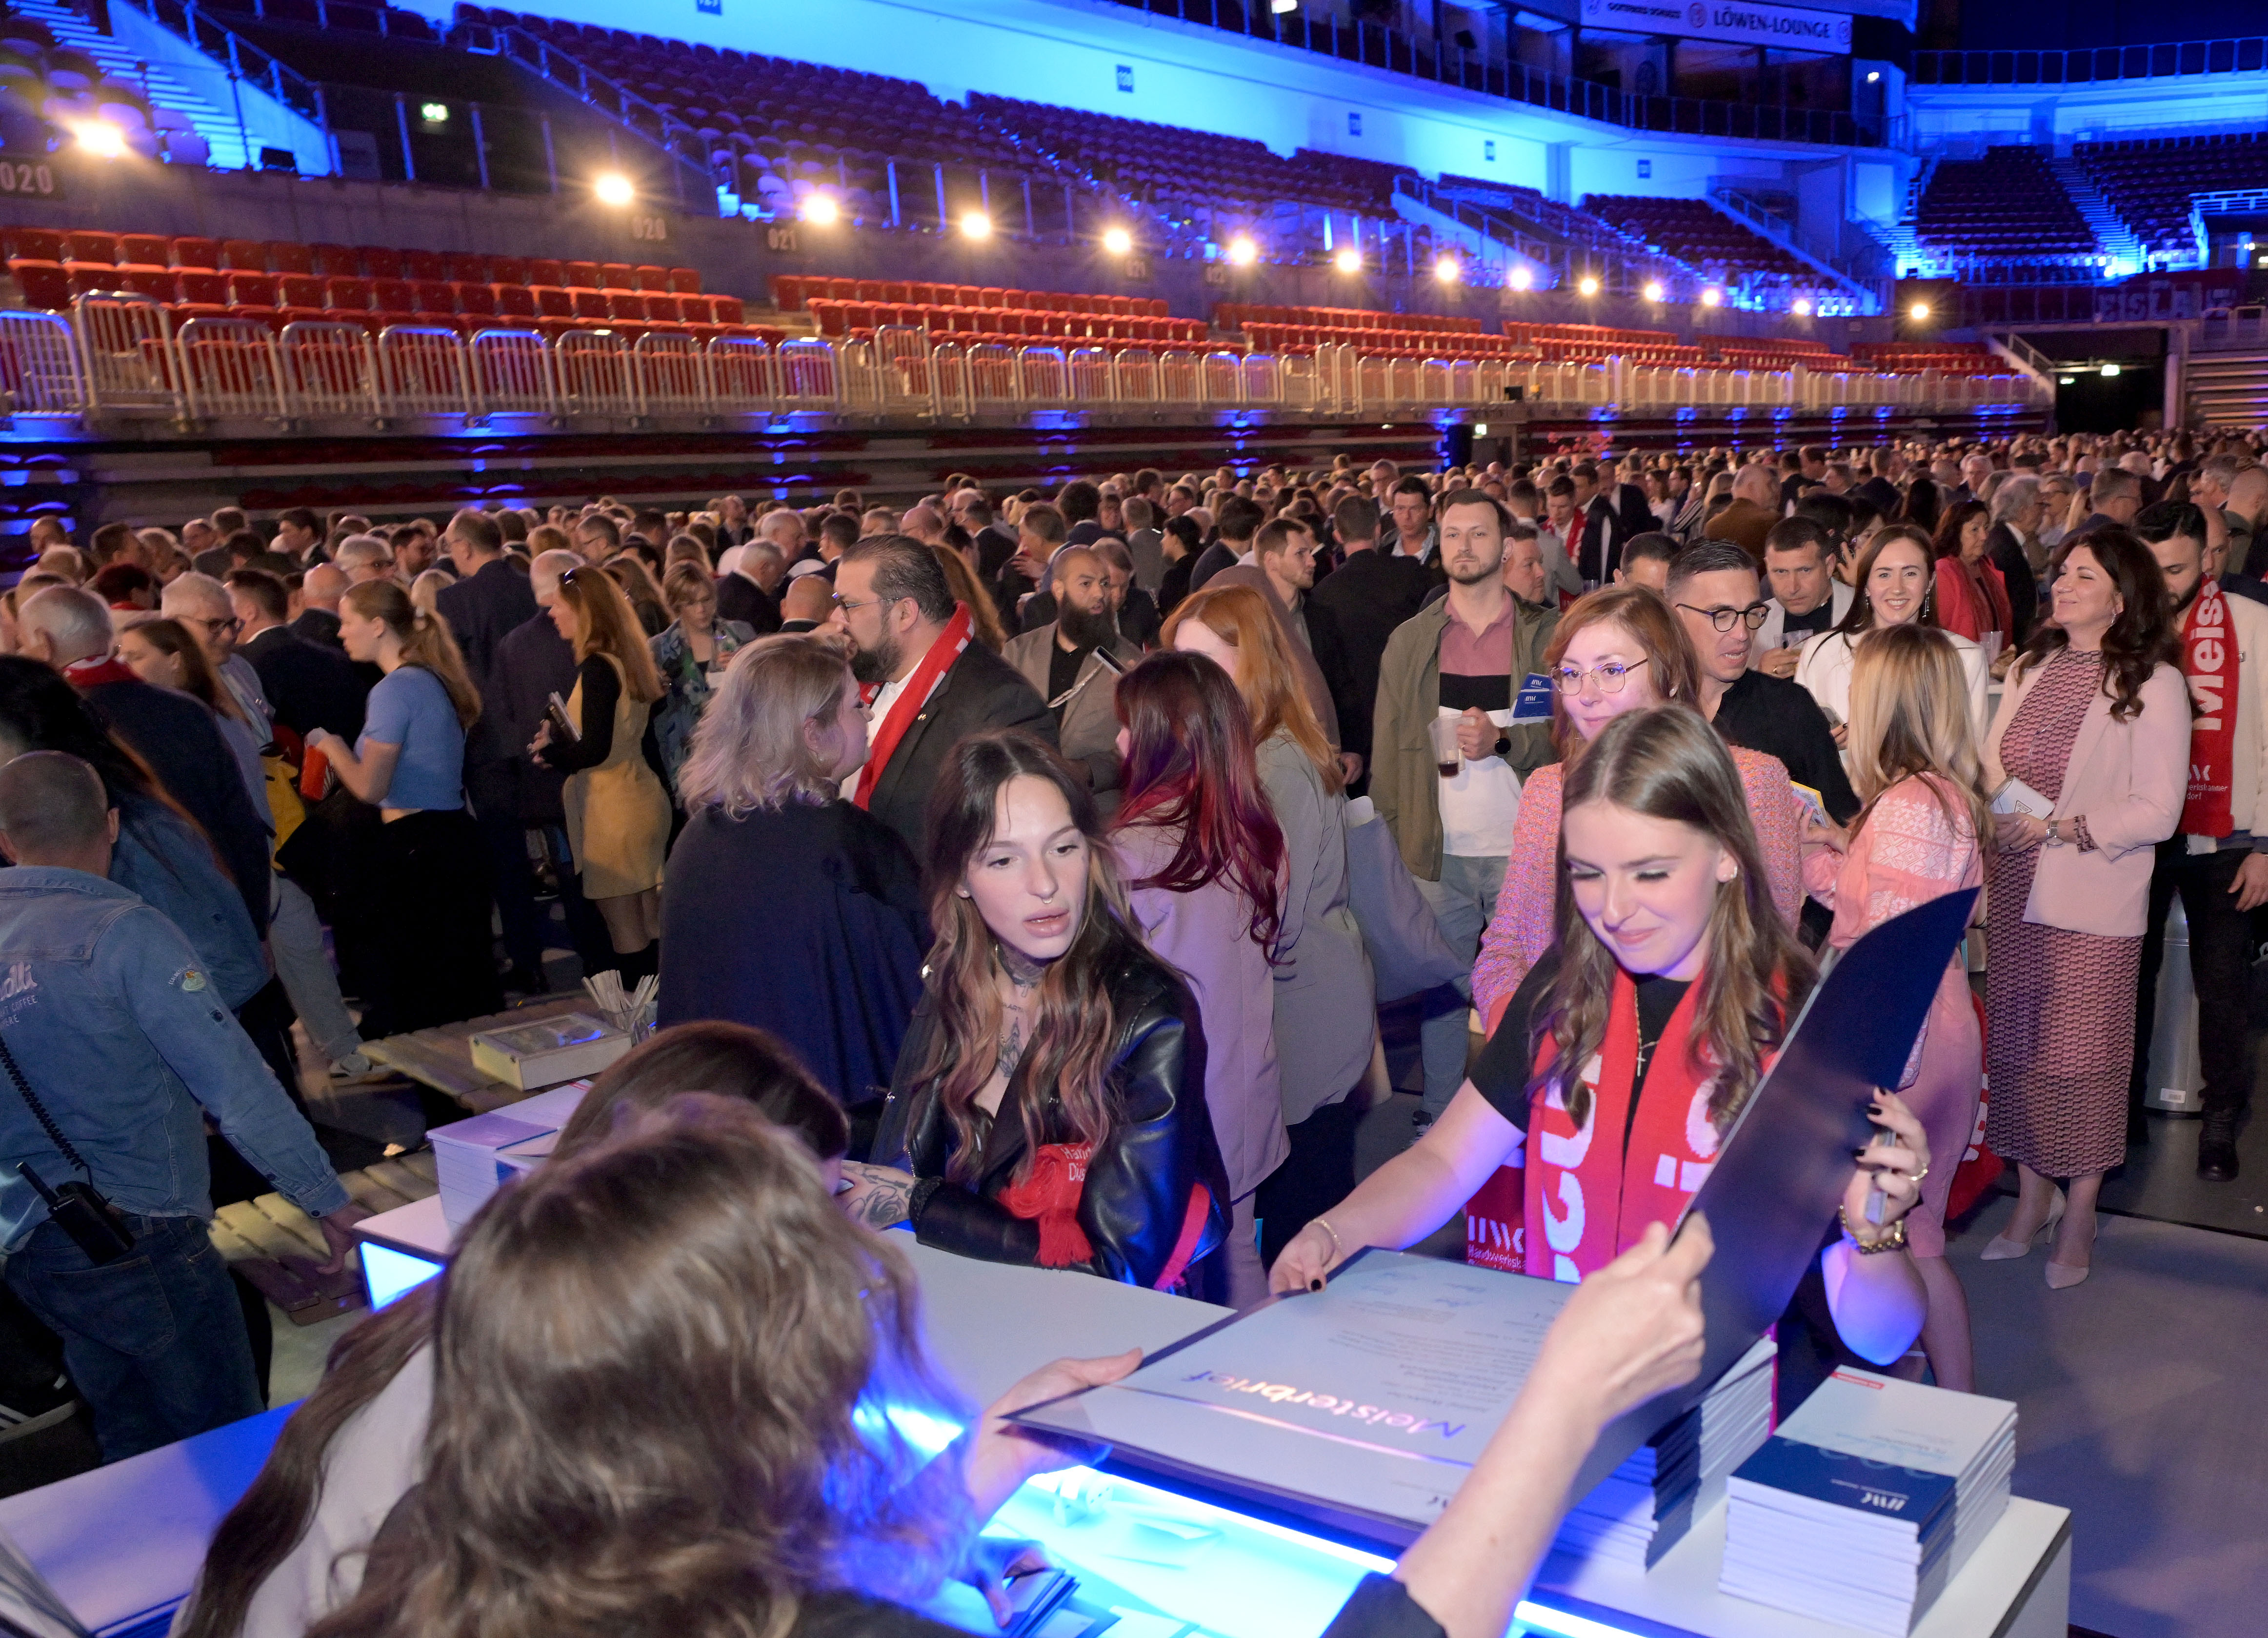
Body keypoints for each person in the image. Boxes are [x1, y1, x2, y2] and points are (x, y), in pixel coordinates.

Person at [1272, 707, 1931, 1412]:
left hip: (1726, 1416)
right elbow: (1444, 1162)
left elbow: (1883, 1336)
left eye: (1650, 873)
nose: (1614, 909)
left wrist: (1876, 1234)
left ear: (1725, 853)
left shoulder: (1801, 1022)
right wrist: (1334, 1230)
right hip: (1564, 1389)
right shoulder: (1565, 987)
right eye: (1587, 872)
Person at [0, 751, 357, 1463]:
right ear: (111, 825)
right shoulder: (125, 932)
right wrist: (326, 1201)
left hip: (34, 1244)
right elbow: (235, 1084)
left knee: (133, 1441)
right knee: (228, 1444)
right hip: (143, 1231)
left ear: (6, 839)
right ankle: (241, 1571)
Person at [854, 731, 1229, 1292]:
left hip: (1085, 1341)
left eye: (1062, 848)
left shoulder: (1146, 1016)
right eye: (1004, 859)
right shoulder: (955, 977)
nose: (1046, 885)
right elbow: (912, 1139)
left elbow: (1113, 1270)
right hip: (962, 1313)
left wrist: (920, 1205)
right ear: (959, 878)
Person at [1982, 530, 2187, 1289]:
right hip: (2015, 885)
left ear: (2121, 596)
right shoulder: (2032, 665)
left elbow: (2159, 810)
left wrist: (2068, 828)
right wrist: (2001, 812)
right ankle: (2030, 1198)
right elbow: (1991, 760)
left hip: (2092, 896)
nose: (2062, 585)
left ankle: (2080, 1213)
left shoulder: (2153, 681)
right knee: (2020, 1049)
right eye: (2060, 572)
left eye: (2082, 575)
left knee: (2083, 1062)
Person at [1470, 585, 1805, 1030]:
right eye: (1570, 673)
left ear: (1667, 675)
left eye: (1610, 670)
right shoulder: (1547, 791)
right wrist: (1511, 1027)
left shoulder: (1748, 782)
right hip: (1556, 1046)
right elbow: (1504, 943)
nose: (1585, 695)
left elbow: (1770, 951)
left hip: (1688, 1051)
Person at [1166, 586, 1380, 1270]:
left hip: (1300, 1016)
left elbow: (1265, 923)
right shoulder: (1247, 749)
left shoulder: (1275, 762)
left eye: (1204, 661)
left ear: (1251, 663)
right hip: (1291, 1008)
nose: (1186, 681)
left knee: (1302, 1228)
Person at [1814, 625, 1987, 1390]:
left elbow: (1888, 951)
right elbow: (1898, 905)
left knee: (1902, 1242)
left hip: (1906, 1046)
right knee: (1913, 1239)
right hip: (1940, 1023)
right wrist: (1829, 855)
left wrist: (1873, 1083)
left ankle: (1949, 1411)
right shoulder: (1940, 794)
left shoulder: (1910, 802)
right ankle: (1945, 1402)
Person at [660, 637, 928, 1108]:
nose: (867, 715)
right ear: (812, 733)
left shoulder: (697, 838)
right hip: (830, 1123)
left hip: (720, 1116)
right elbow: (920, 976)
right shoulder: (849, 843)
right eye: (853, 704)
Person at [1108, 652, 1287, 1306]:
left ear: (1164, 738)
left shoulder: (1128, 853)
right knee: (1240, 1252)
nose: (1117, 741)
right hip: (1246, 1093)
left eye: (1129, 726)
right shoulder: (1258, 835)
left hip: (1172, 1109)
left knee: (1162, 1280)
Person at [1372, 490, 1557, 1119]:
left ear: (1504, 549)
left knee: (1530, 991)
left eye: (1478, 535)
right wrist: (1391, 852)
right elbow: (1387, 756)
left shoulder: (1543, 637)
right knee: (1442, 997)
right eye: (1452, 534)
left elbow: (1562, 736)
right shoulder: (1409, 642)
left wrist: (1503, 740)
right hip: (1437, 854)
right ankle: (1444, 1115)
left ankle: (1525, 1111)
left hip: (1523, 850)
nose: (1463, 547)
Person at [2128, 505, 2268, 1181]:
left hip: (2230, 835)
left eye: (2176, 568)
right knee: (2131, 978)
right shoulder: (2128, 627)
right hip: (2142, 833)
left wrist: (2267, 844)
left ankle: (2220, 1122)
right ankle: (2122, 1114)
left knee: (2223, 989)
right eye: (2151, 569)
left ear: (2207, 560)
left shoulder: (2253, 623)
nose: (2163, 582)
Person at [308, 582, 502, 1036]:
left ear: (377, 626)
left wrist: (332, 746)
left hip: (417, 853)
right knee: (462, 988)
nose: (340, 634)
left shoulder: (394, 689)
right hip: (452, 841)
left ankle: (448, 1102)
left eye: (348, 622)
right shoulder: (430, 677)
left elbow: (372, 786)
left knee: (425, 997)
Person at [21, 587, 274, 935]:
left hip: (124, 932)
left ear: (42, 642)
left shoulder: (52, 729)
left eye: (23, 645)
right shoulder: (184, 708)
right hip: (218, 914)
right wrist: (255, 924)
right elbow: (240, 824)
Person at [828, 536, 1054, 858]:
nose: (837, 618)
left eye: (848, 604)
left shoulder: (1001, 704)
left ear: (905, 613)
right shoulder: (861, 680)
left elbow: (1006, 850)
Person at [530, 565, 672, 984]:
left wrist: (550, 753)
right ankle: (672, 1016)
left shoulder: (597, 666)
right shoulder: (628, 658)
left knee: (625, 932)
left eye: (557, 605)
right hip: (641, 796)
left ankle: (644, 1028)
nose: (552, 613)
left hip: (613, 811)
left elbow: (594, 748)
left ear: (583, 610)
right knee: (651, 925)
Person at [1666, 541, 1858, 825]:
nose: (1743, 634)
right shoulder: (1645, 704)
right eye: (1723, 616)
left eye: (1752, 614)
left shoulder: (1790, 709)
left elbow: (1845, 823)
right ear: (1675, 616)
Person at [1793, 525, 1991, 748]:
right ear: (1866, 585)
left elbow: (1971, 755)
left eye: (1910, 574)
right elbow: (1798, 749)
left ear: (1930, 582)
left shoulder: (1964, 658)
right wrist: (1821, 749)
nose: (1897, 588)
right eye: (1884, 574)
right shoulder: (1821, 652)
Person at [1000, 545, 1142, 813]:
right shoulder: (1019, 652)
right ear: (1059, 590)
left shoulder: (1130, 663)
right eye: (1086, 584)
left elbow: (1144, 747)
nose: (1100, 594)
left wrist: (1087, 770)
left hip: (1098, 814)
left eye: (1104, 584)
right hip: (1025, 806)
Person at [1206, 517, 1355, 765]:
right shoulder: (1248, 623)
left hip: (1324, 758)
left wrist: (1352, 749)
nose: (1312, 561)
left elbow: (1342, 689)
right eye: (1301, 554)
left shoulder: (1322, 617)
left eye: (1310, 552)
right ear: (1271, 561)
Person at [1309, 494, 1431, 787]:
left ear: (1338, 536)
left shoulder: (1323, 594)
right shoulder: (1411, 573)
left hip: (1357, 730)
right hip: (1414, 715)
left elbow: (1328, 671)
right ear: (1378, 529)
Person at [648, 561, 758, 795]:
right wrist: (654, 691)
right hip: (682, 764)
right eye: (690, 603)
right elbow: (648, 711)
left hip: (737, 757)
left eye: (706, 600)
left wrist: (747, 669)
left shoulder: (741, 635)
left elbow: (766, 695)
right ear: (675, 605)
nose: (701, 610)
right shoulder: (658, 650)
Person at [1752, 516, 1854, 678]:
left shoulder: (1864, 612)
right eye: (1781, 572)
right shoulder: (1754, 624)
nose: (1793, 588)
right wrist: (1759, 678)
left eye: (1805, 571)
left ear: (1829, 566)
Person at [1930, 499, 2012, 654]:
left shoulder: (1987, 567)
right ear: (1955, 533)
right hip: (1960, 665)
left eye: (1986, 528)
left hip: (1992, 664)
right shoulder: (1944, 572)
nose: (1984, 536)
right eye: (1975, 530)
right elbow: (1938, 632)